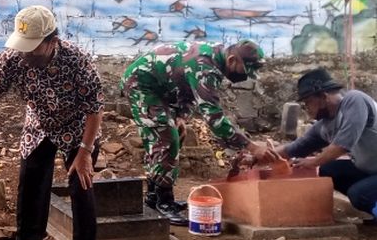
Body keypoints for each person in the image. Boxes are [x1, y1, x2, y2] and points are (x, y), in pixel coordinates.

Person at [0, 5, 103, 240]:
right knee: (30, 183)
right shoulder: (14, 59)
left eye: (33, 48)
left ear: (52, 41)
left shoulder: (77, 61)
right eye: (23, 47)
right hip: (40, 123)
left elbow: (94, 111)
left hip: (78, 127)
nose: (26, 54)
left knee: (81, 188)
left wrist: (84, 152)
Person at [120, 40, 276, 225]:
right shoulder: (205, 67)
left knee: (172, 134)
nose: (246, 76)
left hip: (163, 87)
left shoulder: (216, 59)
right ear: (232, 60)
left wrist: (181, 117)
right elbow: (214, 119)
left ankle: (154, 197)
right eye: (245, 70)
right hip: (142, 84)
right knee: (165, 137)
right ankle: (164, 202)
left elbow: (189, 91)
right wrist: (251, 146)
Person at [275, 68, 377, 222]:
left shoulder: (354, 100)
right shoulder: (324, 126)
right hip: (371, 170)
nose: (307, 108)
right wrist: (260, 156)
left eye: (308, 102)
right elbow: (295, 148)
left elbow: (343, 144)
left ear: (323, 96)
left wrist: (313, 161)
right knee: (328, 170)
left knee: (359, 194)